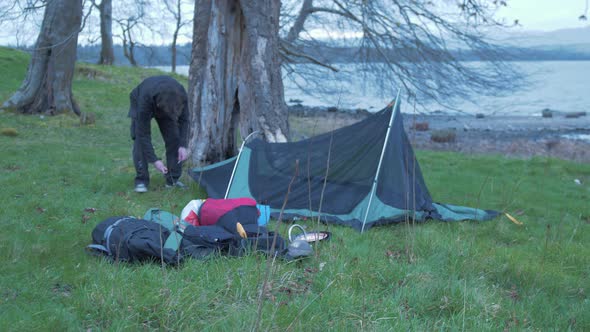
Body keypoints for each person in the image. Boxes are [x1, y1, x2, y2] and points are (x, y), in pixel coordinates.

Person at [129, 75, 189, 193]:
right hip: (141, 99)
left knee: (174, 139)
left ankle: (172, 180)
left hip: (165, 103)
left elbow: (185, 120)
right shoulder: (144, 101)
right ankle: (141, 180)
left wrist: (183, 145)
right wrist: (155, 160)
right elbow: (143, 135)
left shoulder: (181, 95)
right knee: (139, 142)